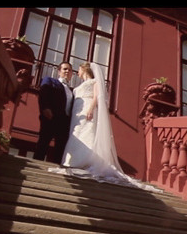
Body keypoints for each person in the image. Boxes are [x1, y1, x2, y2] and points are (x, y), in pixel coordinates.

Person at [51, 62, 159, 192]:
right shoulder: (78, 86)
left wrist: (90, 109)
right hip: (76, 113)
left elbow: (97, 96)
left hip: (87, 108)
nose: (76, 72)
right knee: (77, 135)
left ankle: (86, 161)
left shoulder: (94, 81)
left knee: (87, 133)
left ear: (85, 69)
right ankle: (71, 161)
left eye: (78, 69)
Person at [33, 62, 73, 162]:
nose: (67, 71)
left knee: (61, 146)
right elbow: (43, 93)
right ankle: (36, 165)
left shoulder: (71, 90)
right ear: (59, 71)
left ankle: (56, 168)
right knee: (43, 142)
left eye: (70, 70)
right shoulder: (50, 81)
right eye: (65, 69)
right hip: (51, 117)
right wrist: (45, 108)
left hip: (65, 122)